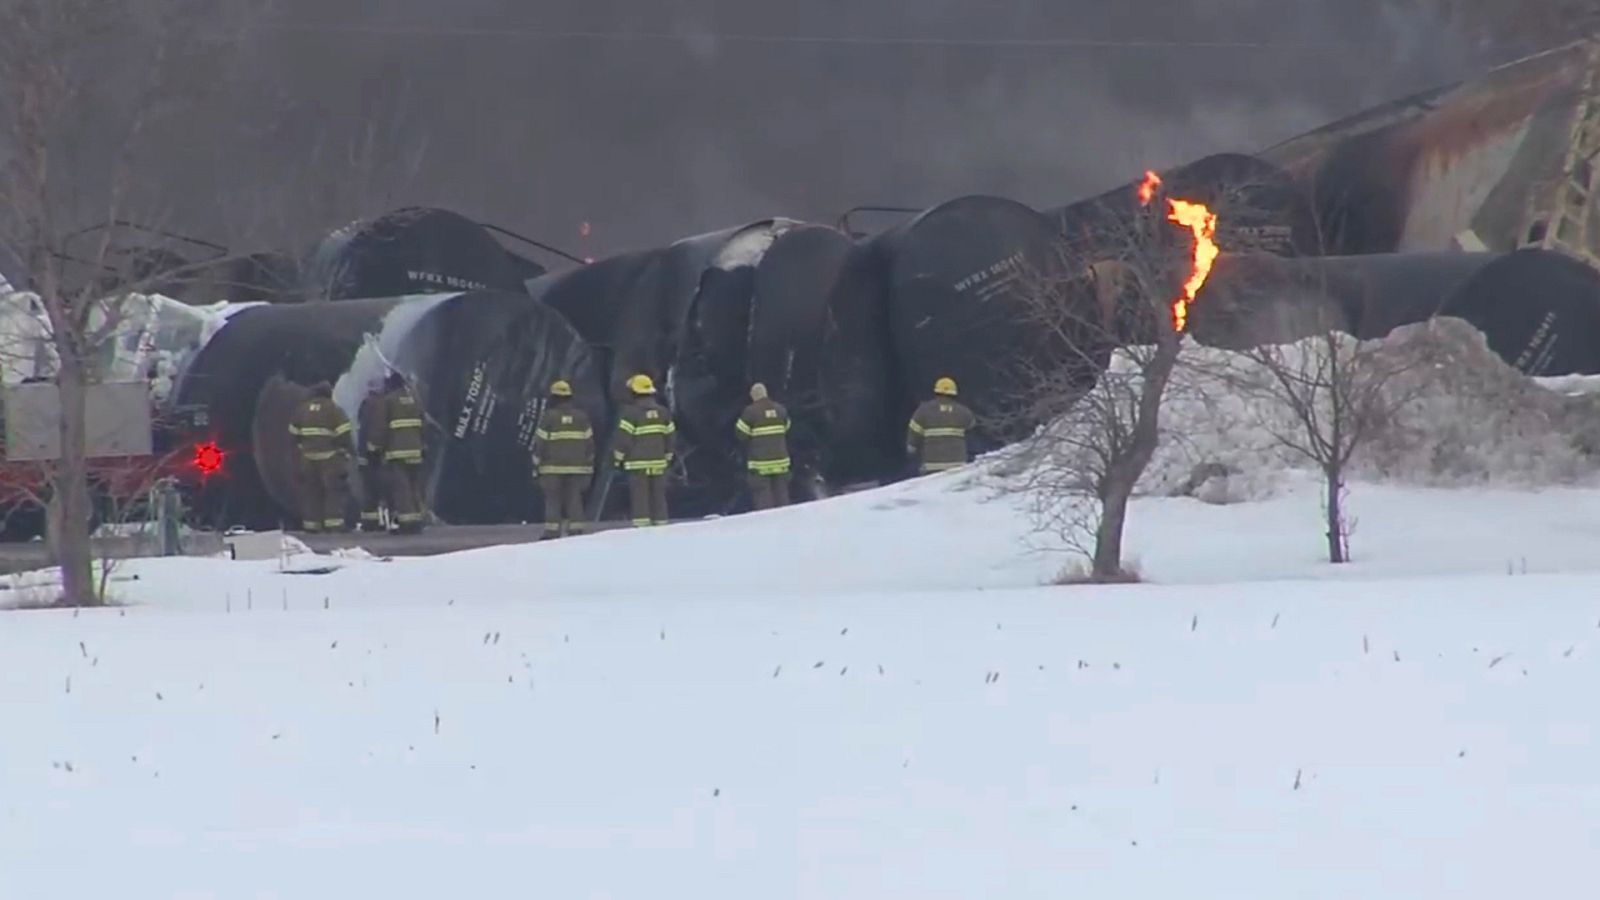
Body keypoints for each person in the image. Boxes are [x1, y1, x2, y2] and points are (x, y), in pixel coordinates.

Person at [531, 379, 595, 539]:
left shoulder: (549, 418)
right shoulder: (581, 417)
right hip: (577, 467)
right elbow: (590, 444)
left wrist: (536, 464)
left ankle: (552, 531)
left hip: (552, 468)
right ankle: (576, 529)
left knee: (553, 499)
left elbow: (540, 443)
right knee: (574, 498)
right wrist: (588, 464)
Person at [288, 381, 352, 532]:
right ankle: (334, 525)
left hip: (308, 459)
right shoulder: (334, 409)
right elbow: (344, 433)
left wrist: (301, 448)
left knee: (311, 492)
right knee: (333, 492)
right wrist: (344, 450)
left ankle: (312, 526)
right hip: (329, 459)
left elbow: (292, 434)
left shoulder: (302, 410)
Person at [611, 373, 674, 527]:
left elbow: (623, 439)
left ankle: (642, 527)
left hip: (637, 464)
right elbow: (671, 437)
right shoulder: (663, 413)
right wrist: (667, 456)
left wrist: (617, 459)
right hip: (659, 462)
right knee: (658, 496)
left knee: (640, 497)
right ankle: (662, 525)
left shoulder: (630, 414)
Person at [378, 371, 426, 534]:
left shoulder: (389, 400)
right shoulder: (414, 399)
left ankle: (407, 523)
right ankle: (418, 519)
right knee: (414, 487)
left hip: (397, 452)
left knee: (402, 488)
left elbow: (382, 428)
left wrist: (377, 447)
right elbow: (422, 421)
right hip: (415, 451)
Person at [735, 382, 792, 510]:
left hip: (760, 463)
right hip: (780, 461)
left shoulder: (750, 412)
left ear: (753, 396)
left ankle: (766, 522)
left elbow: (740, 434)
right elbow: (787, 427)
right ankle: (786, 518)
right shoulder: (780, 409)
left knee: (763, 495)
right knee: (782, 492)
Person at [906, 376, 976, 475]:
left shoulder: (923, 410)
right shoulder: (964, 412)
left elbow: (913, 438)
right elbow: (972, 432)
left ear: (936, 392)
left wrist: (912, 449)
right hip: (958, 464)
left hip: (932, 465)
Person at [356, 377, 388, 531]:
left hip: (370, 454)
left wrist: (363, 452)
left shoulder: (368, 405)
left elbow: (364, 430)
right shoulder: (387, 402)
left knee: (370, 488)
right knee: (385, 487)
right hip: (384, 453)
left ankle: (371, 522)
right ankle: (386, 519)